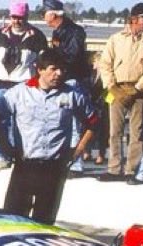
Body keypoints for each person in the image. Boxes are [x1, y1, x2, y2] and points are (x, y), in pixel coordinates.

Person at [0, 48, 97, 224]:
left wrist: (78, 149)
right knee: (13, 220)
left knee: (45, 222)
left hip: (54, 168)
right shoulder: (19, 93)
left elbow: (93, 122)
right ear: (39, 69)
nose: (59, 74)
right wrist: (5, 146)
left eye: (62, 69)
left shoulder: (72, 95)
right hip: (25, 166)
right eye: (53, 69)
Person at [0, 1, 48, 173]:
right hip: (0, 83)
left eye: (20, 17)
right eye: (14, 17)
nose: (16, 21)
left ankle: (21, 155)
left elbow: (42, 64)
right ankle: (2, 155)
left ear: (26, 17)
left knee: (23, 122)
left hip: (24, 85)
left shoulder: (37, 37)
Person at [97, 3, 143, 182]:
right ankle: (113, 168)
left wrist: (139, 87)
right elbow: (105, 63)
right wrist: (111, 86)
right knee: (114, 130)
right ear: (133, 19)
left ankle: (131, 170)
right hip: (117, 88)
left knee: (137, 132)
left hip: (140, 90)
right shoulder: (116, 38)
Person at [43, 0, 90, 174]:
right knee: (61, 120)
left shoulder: (75, 32)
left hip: (73, 80)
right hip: (63, 80)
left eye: (45, 14)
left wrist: (53, 57)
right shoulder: (59, 32)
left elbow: (73, 56)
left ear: (53, 15)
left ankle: (76, 164)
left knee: (75, 122)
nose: (44, 18)